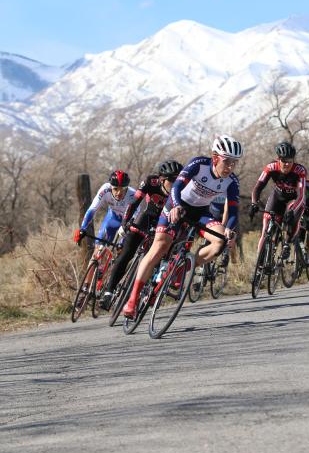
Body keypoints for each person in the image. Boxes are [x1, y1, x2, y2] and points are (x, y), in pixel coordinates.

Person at [122, 135, 243, 319]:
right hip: (177, 205)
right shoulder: (199, 164)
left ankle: (181, 269)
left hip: (201, 212)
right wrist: (176, 206)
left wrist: (229, 229)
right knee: (160, 248)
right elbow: (176, 187)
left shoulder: (232, 181)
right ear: (215, 157)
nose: (230, 167)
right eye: (227, 161)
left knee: (220, 242)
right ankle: (132, 299)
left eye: (234, 163)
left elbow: (233, 212)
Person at [100, 160, 183, 310]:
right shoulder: (150, 182)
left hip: (165, 224)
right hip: (147, 217)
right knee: (126, 253)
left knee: (158, 256)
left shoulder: (182, 190)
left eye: (178, 180)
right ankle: (109, 292)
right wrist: (126, 223)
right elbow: (134, 202)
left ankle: (149, 290)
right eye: (172, 180)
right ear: (162, 180)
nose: (175, 183)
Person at [250, 141, 306, 259]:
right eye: (284, 161)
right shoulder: (271, 167)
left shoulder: (300, 170)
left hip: (295, 199)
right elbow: (257, 188)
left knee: (292, 218)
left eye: (290, 161)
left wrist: (292, 210)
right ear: (278, 159)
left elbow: (301, 195)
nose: (287, 164)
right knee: (266, 230)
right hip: (278, 196)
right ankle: (259, 265)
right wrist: (254, 202)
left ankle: (287, 243)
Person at [73, 170, 136, 246]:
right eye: (115, 189)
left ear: (127, 188)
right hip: (114, 217)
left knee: (122, 248)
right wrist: (82, 228)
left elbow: (136, 216)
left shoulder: (133, 195)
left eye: (122, 189)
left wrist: (126, 228)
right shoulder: (105, 189)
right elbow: (93, 209)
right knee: (99, 246)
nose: (119, 193)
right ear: (111, 186)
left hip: (129, 221)